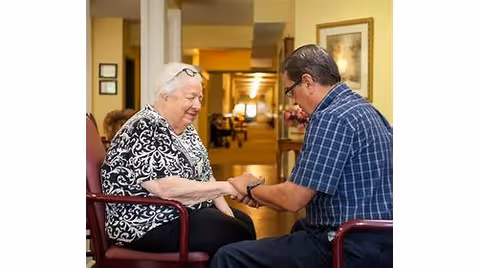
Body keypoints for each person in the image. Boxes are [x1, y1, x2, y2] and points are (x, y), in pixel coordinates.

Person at [210, 44, 393, 268]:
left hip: (350, 245)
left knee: (228, 257)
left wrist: (249, 187)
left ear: (307, 82)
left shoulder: (330, 118)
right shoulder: (364, 108)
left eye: (290, 91)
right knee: (300, 228)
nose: (292, 101)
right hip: (382, 237)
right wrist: (261, 195)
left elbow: (293, 198)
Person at [100, 62, 256, 258]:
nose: (198, 105)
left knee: (243, 223)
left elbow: (206, 175)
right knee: (235, 232)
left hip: (180, 211)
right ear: (165, 96)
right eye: (191, 97)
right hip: (146, 222)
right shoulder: (145, 126)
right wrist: (229, 187)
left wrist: (227, 212)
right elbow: (164, 188)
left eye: (200, 98)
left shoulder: (186, 127)